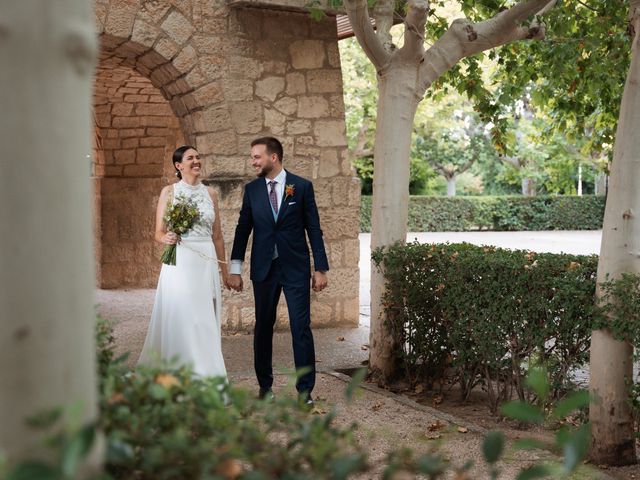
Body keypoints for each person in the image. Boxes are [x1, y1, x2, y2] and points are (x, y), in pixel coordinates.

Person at [227, 136, 329, 406]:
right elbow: (242, 230)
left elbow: (314, 229)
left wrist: (320, 268)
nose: (253, 161)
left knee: (301, 328)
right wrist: (235, 268)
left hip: (295, 268)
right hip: (264, 269)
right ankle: (265, 387)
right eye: (252, 157)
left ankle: (305, 392)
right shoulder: (252, 190)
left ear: (274, 157)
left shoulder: (302, 187)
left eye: (256, 157)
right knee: (263, 328)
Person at [138, 146, 228, 378]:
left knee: (205, 319)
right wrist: (166, 237)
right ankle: (180, 376)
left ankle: (208, 377)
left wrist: (225, 271)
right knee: (185, 317)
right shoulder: (169, 192)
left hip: (205, 262)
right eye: (191, 158)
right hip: (180, 262)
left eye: (198, 157)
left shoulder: (211, 194)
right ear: (179, 165)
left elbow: (217, 235)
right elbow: (158, 232)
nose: (197, 161)